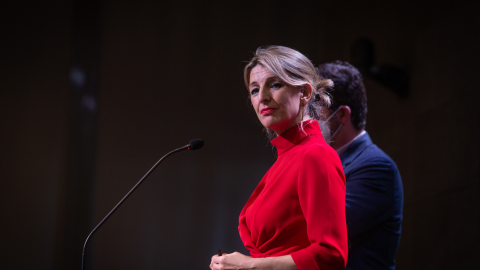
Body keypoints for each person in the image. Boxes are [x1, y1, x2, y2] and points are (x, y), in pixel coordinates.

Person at [210, 46, 348, 270]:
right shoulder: (286, 159)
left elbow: (331, 254)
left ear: (304, 92)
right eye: (255, 90)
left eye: (275, 85)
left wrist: (249, 265)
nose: (262, 97)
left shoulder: (315, 155)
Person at [316, 61, 403, 270]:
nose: (308, 117)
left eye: (316, 107)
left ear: (343, 115)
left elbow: (317, 231)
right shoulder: (324, 159)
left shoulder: (376, 167)